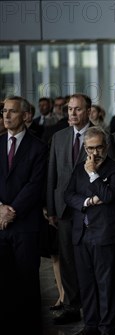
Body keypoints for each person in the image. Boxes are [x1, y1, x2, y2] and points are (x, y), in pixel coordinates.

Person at [64, 127, 115, 335]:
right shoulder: (78, 168)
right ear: (84, 148)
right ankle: (90, 325)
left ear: (106, 147)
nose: (94, 153)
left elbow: (109, 196)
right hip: (82, 233)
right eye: (90, 148)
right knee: (86, 283)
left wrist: (93, 174)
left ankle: (106, 328)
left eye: (99, 147)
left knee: (105, 283)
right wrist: (88, 201)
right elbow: (68, 195)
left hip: (105, 234)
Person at [47, 93, 92, 325]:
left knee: (89, 260)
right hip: (63, 210)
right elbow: (52, 174)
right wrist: (51, 208)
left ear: (88, 111)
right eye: (69, 109)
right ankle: (71, 306)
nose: (72, 113)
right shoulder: (59, 137)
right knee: (67, 260)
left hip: (89, 210)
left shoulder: (100, 136)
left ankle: (94, 308)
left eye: (77, 109)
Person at [0, 96, 48, 313]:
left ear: (26, 115)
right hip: (0, 223)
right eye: (4, 111)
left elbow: (35, 185)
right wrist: (0, 208)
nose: (7, 115)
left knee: (27, 281)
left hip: (26, 225)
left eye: (12, 111)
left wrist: (12, 211)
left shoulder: (38, 146)